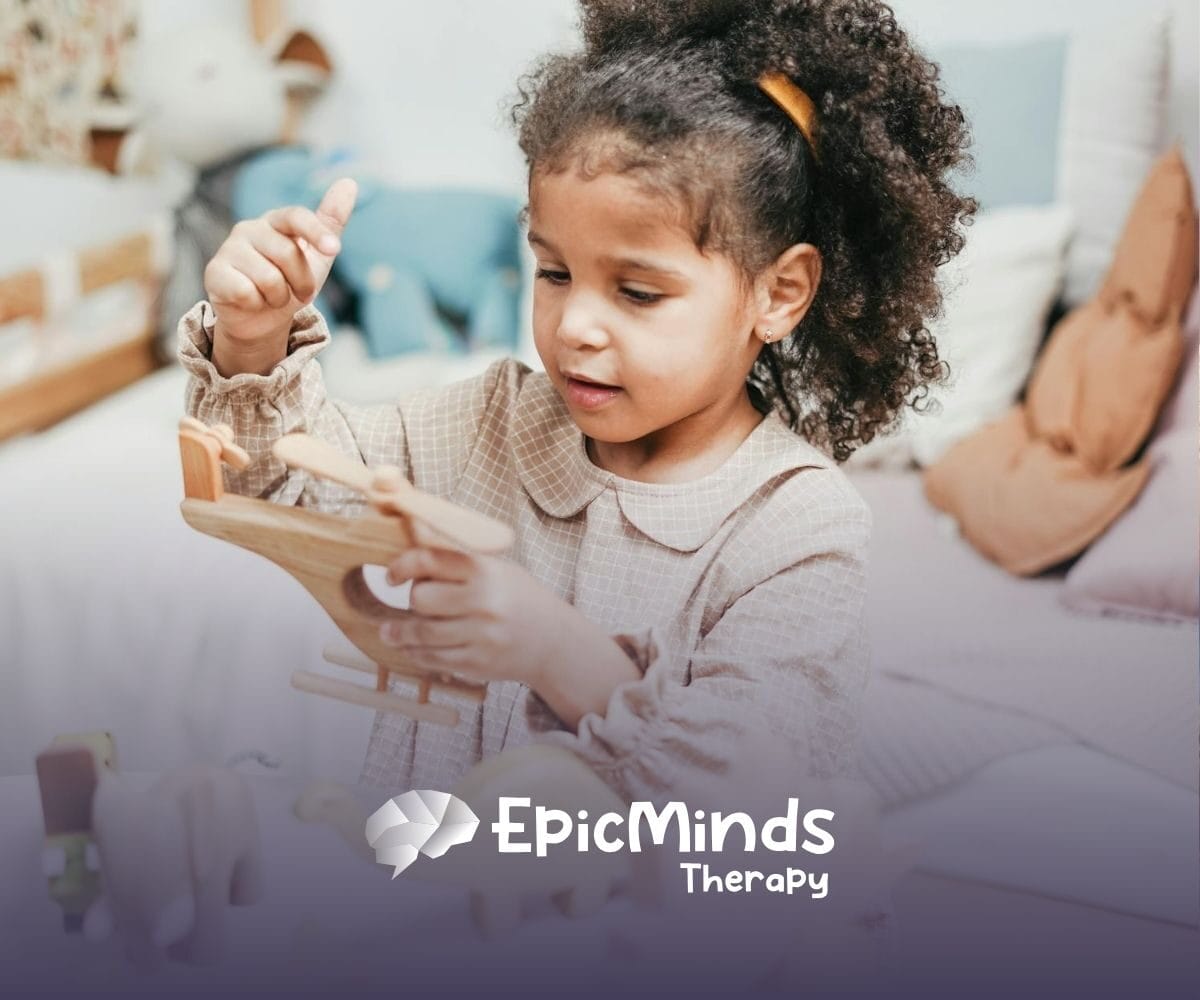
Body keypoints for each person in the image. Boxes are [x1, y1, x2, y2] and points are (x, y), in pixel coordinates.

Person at [179, 0, 974, 805]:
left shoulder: (798, 529)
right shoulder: (491, 423)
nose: (575, 327)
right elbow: (274, 486)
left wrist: (555, 650)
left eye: (636, 291)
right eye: (554, 273)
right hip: (428, 907)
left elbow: (750, 805)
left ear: (780, 293)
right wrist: (254, 336)